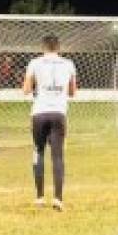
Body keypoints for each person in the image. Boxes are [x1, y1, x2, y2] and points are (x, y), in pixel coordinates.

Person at [22, 33, 76, 210]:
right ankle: (58, 199)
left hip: (39, 113)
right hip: (59, 113)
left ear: (43, 47)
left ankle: (39, 198)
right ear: (58, 48)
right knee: (58, 156)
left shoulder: (35, 63)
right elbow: (72, 92)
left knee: (38, 152)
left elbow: (26, 90)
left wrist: (38, 87)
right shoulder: (68, 64)